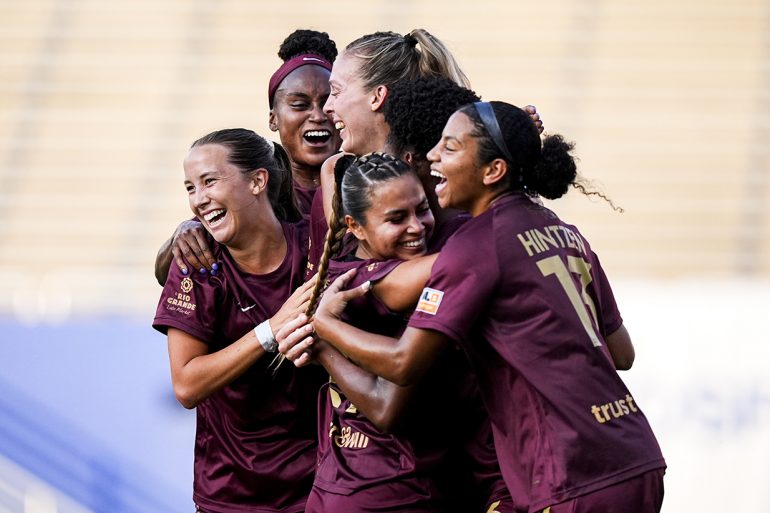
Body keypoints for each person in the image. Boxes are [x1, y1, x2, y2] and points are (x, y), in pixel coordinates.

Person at [299, 102, 666, 512]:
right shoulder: (566, 232)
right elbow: (622, 353)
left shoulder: (474, 245)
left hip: (567, 469)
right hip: (635, 453)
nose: (434, 156)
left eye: (450, 147)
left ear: (493, 171)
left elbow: (402, 363)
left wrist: (323, 324)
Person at [281, 152, 511, 513]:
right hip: (392, 492)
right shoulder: (375, 283)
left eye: (421, 209)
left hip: (338, 488)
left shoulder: (341, 259)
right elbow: (386, 408)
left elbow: (330, 172)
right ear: (355, 226)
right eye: (396, 219)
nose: (417, 227)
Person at [152, 128, 325, 513]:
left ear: (257, 181)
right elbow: (186, 384)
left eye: (209, 181)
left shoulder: (315, 244)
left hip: (319, 489)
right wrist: (270, 331)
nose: (199, 200)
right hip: (231, 496)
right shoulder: (198, 264)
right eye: (190, 188)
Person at [154, 29, 341, 284]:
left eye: (328, 102)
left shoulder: (367, 180)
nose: (318, 115)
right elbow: (163, 271)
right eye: (299, 105)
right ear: (273, 118)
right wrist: (184, 233)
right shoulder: (255, 187)